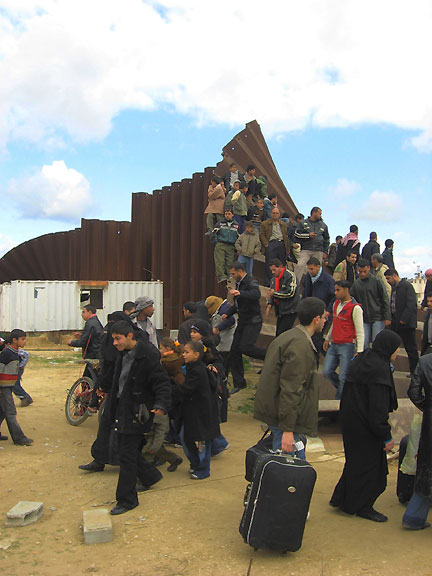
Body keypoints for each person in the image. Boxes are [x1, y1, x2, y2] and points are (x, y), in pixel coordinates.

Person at [330, 330, 401, 522]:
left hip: (350, 420)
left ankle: (342, 499)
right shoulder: (379, 369)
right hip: (366, 426)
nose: (396, 354)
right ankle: (361, 506)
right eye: (396, 350)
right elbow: (377, 409)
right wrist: (385, 436)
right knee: (370, 469)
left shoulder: (363, 359)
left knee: (355, 462)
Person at [107, 320, 171, 515]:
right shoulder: (122, 354)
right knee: (126, 450)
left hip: (138, 412)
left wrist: (160, 404)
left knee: (126, 455)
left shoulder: (148, 355)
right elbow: (116, 379)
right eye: (113, 339)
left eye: (118, 339)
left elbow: (162, 382)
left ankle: (127, 500)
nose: (115, 343)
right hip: (121, 407)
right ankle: (150, 475)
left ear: (129, 336)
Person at [254, 297, 327, 457]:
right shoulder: (300, 346)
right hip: (285, 422)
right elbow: (291, 388)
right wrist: (288, 429)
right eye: (324, 317)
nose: (325, 320)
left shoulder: (288, 337)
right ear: (316, 319)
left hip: (281, 416)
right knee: (288, 471)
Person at [223, 261, 266, 394]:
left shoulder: (250, 281)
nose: (232, 276)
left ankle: (270, 355)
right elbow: (238, 303)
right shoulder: (239, 284)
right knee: (234, 351)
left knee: (246, 347)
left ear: (240, 271)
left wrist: (240, 293)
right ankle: (239, 383)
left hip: (253, 322)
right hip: (243, 321)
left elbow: (256, 295)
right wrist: (228, 313)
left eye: (233, 273)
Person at [179, 341, 221, 479]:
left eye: (187, 352)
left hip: (202, 413)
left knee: (203, 442)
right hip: (192, 412)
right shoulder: (191, 368)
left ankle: (202, 469)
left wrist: (173, 388)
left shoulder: (198, 371)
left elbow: (187, 389)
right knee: (185, 437)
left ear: (196, 355)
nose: (183, 355)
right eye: (183, 352)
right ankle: (195, 464)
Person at [402, 354, 432, 530]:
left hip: (429, 420)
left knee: (427, 468)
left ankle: (413, 518)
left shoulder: (425, 361)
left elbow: (413, 391)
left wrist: (427, 407)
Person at [323, 280, 364, 399]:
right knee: (327, 371)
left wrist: (359, 350)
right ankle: (346, 391)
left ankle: (340, 400)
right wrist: (327, 338)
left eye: (338, 290)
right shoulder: (336, 304)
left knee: (343, 376)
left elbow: (360, 330)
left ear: (346, 290)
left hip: (347, 345)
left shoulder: (355, 308)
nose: (335, 293)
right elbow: (334, 323)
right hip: (334, 343)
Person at [0, 329, 33, 445]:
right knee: (11, 412)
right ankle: (19, 438)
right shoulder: (7, 353)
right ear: (14, 340)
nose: (25, 342)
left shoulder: (15, 352)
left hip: (8, 386)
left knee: (2, 412)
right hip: (3, 387)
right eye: (22, 339)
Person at [384, 268, 419, 377]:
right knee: (388, 342)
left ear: (394, 276)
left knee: (411, 348)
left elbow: (411, 304)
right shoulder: (394, 288)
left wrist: (404, 318)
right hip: (395, 322)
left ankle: (416, 372)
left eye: (388, 278)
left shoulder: (406, 286)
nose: (388, 281)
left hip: (406, 324)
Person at [350, 259, 391, 349]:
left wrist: (387, 316)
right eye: (360, 272)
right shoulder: (356, 283)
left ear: (368, 268)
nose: (362, 274)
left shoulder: (377, 281)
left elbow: (385, 299)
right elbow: (352, 299)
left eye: (364, 271)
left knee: (377, 343)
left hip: (377, 316)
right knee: (363, 344)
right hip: (363, 318)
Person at [302, 256, 335, 361]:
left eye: (312, 269)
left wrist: (328, 311)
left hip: (322, 314)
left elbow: (333, 297)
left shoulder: (328, 280)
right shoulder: (308, 277)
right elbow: (305, 293)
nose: (310, 271)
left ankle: (322, 359)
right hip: (310, 312)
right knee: (312, 339)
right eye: (308, 269)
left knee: (316, 339)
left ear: (318, 267)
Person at [294, 206, 330, 282]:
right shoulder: (303, 223)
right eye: (319, 214)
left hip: (318, 250)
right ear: (314, 213)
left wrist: (325, 251)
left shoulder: (323, 225)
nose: (321, 216)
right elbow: (296, 234)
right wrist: (308, 235)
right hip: (306, 249)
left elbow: (327, 239)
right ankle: (295, 285)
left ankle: (315, 287)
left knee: (317, 270)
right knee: (300, 265)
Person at [266, 258, 300, 336]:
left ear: (280, 267)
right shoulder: (274, 279)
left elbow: (290, 293)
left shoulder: (290, 276)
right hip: (280, 310)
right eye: (271, 270)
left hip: (290, 309)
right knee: (278, 333)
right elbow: (271, 292)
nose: (273, 272)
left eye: (274, 270)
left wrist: (274, 293)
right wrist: (270, 304)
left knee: (282, 334)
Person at [205, 296, 236, 377]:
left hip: (225, 343)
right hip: (225, 343)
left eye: (208, 308)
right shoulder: (224, 306)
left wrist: (218, 328)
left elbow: (231, 320)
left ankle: (223, 381)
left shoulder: (223, 309)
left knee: (223, 366)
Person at [260, 207, 290, 286]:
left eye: (276, 213)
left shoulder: (283, 224)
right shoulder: (265, 223)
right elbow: (261, 235)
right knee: (269, 264)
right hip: (271, 243)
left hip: (281, 244)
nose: (275, 215)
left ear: (279, 215)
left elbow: (286, 236)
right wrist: (267, 244)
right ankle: (268, 283)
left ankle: (280, 283)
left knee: (281, 264)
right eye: (273, 213)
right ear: (271, 214)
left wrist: (287, 248)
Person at [212, 208, 240, 283]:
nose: (227, 215)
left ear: (233, 215)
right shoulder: (220, 223)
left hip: (231, 246)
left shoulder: (236, 225)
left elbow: (239, 237)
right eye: (226, 214)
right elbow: (214, 233)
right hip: (221, 244)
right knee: (220, 262)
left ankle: (229, 276)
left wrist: (236, 247)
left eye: (229, 214)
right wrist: (216, 242)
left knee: (229, 262)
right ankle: (221, 277)